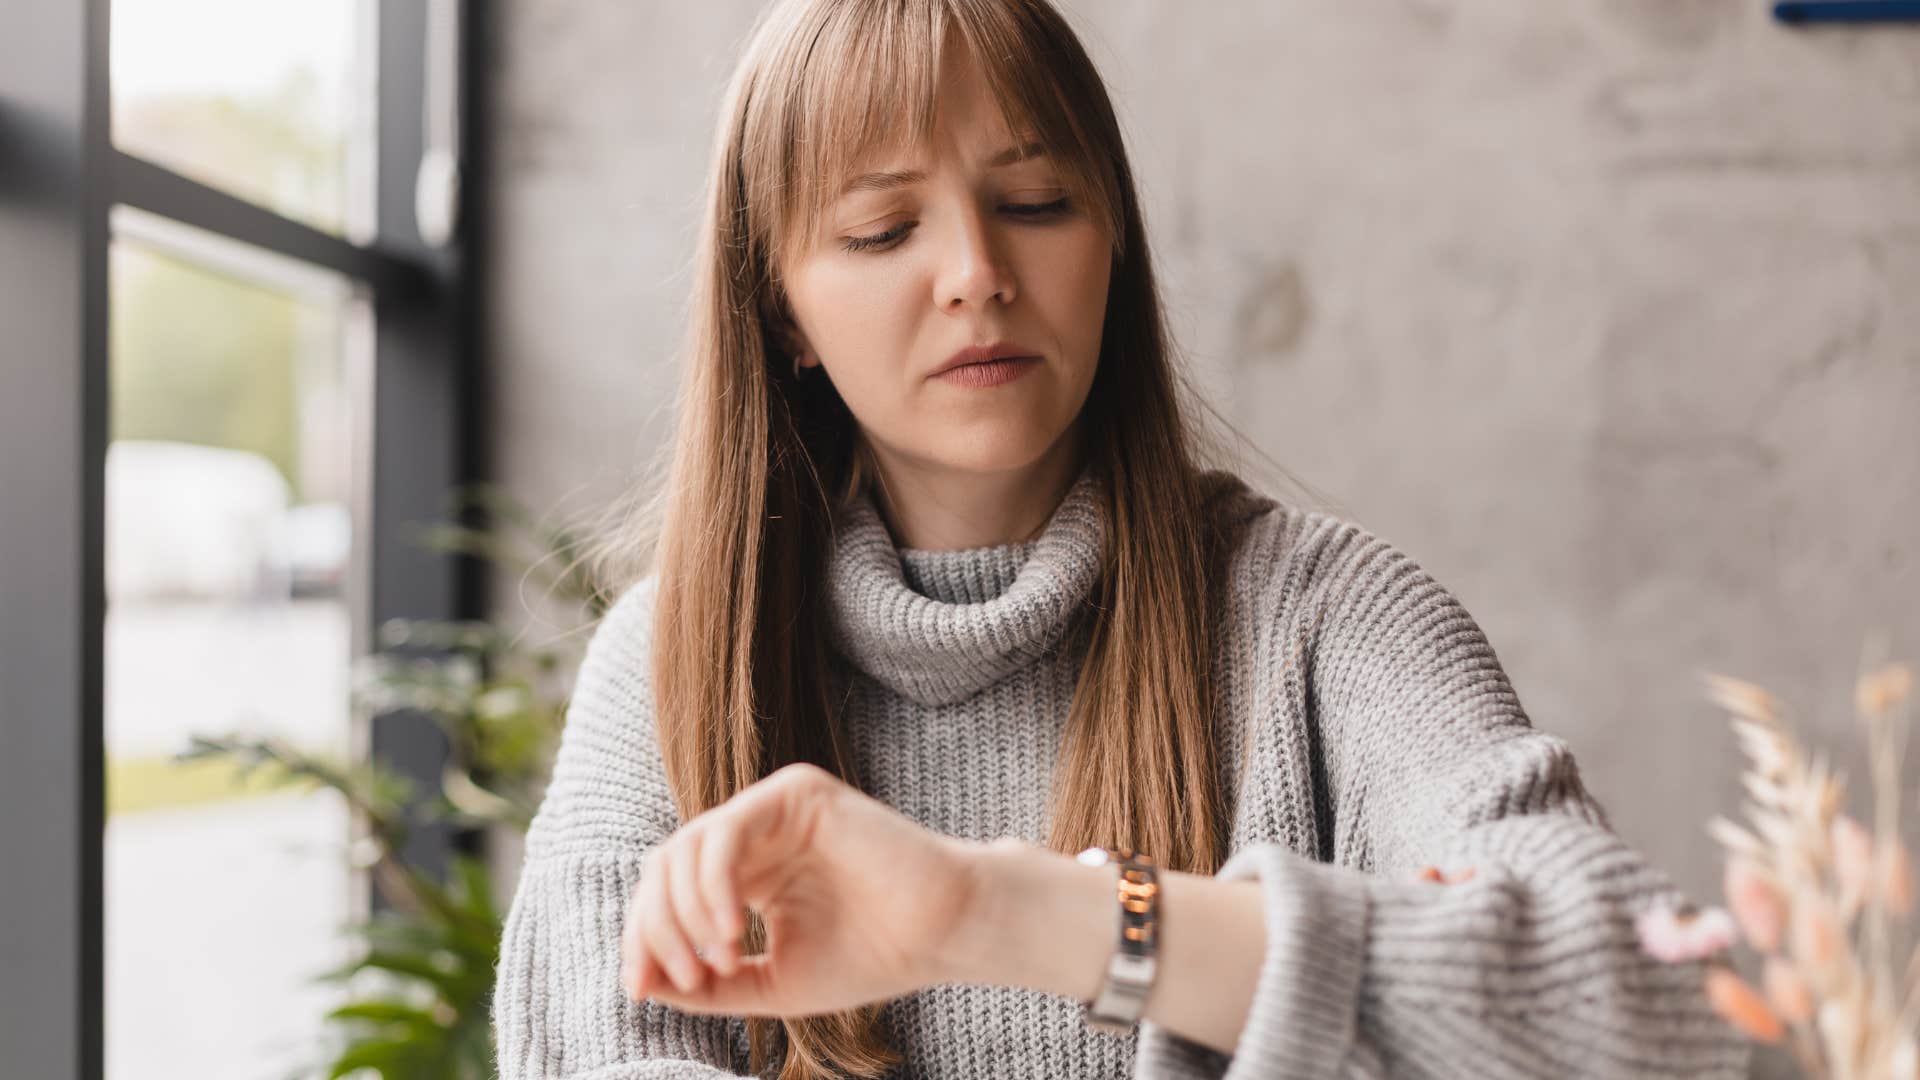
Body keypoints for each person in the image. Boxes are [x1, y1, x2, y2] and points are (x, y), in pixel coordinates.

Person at [491, 1, 1750, 1077]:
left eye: (1036, 201)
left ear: (1112, 243)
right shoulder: (668, 662)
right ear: (782, 314)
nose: (977, 271)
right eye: (884, 231)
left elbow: (1648, 1013)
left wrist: (1000, 912)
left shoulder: (1331, 619)